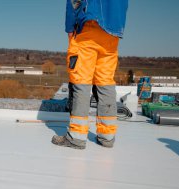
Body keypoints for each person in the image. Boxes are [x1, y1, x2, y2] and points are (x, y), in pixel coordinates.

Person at [52, 0, 128, 149]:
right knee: (105, 82)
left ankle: (76, 137)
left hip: (88, 27)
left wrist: (69, 26)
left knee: (80, 82)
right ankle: (107, 136)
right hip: (112, 32)